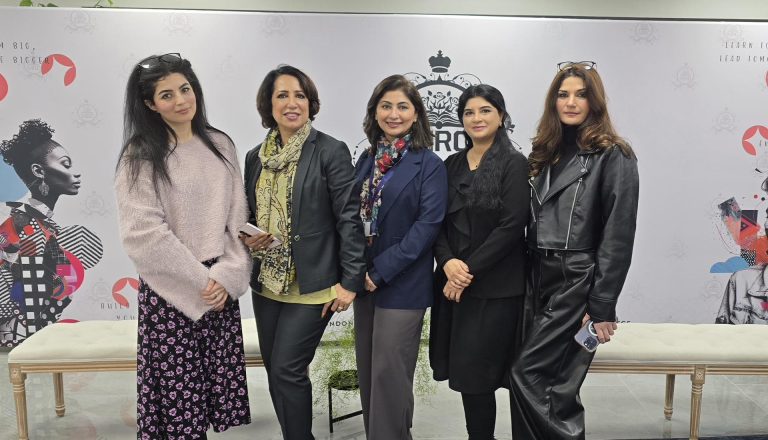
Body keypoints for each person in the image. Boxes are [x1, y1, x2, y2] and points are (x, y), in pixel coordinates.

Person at [115, 53, 252, 439]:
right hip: (171, 293)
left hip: (219, 291)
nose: (180, 100)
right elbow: (143, 232)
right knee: (179, 412)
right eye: (166, 95)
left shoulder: (221, 144)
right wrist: (201, 283)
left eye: (185, 89)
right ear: (149, 104)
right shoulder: (140, 155)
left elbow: (236, 221)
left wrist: (225, 277)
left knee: (208, 401)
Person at [509, 61, 639, 439]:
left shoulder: (614, 154)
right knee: (544, 384)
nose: (571, 102)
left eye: (581, 94)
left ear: (594, 101)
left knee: (533, 378)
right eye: (563, 94)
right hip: (535, 277)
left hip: (576, 280)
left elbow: (618, 236)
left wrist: (600, 308)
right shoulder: (544, 152)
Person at [240, 64, 366, 440]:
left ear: (311, 103)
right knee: (276, 368)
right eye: (283, 95)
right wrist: (250, 238)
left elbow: (349, 219)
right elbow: (246, 213)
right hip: (266, 283)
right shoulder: (254, 157)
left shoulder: (330, 150)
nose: (292, 103)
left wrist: (350, 281)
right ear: (269, 104)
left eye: (300, 95)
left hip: (314, 283)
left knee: (287, 369)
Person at [429, 84, 528, 440]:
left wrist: (465, 271)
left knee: (487, 375)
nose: (477, 118)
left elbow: (513, 225)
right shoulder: (451, 164)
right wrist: (448, 262)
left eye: (485, 110)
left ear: (501, 116)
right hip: (455, 287)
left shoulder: (514, 163)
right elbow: (435, 222)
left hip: (496, 290)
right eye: (469, 112)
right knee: (470, 380)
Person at [353, 74, 447, 440]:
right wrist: (356, 271)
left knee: (389, 374)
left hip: (402, 283)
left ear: (416, 113)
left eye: (402, 106)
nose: (394, 114)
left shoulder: (429, 164)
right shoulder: (365, 159)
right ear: (375, 111)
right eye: (386, 105)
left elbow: (427, 227)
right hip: (363, 280)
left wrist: (380, 271)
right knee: (369, 371)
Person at [0, 119, 102, 347]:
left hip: (38, 333)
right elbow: (20, 290)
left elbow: (61, 284)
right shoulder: (19, 221)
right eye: (65, 165)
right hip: (21, 336)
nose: (75, 174)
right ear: (38, 170)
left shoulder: (45, 226)